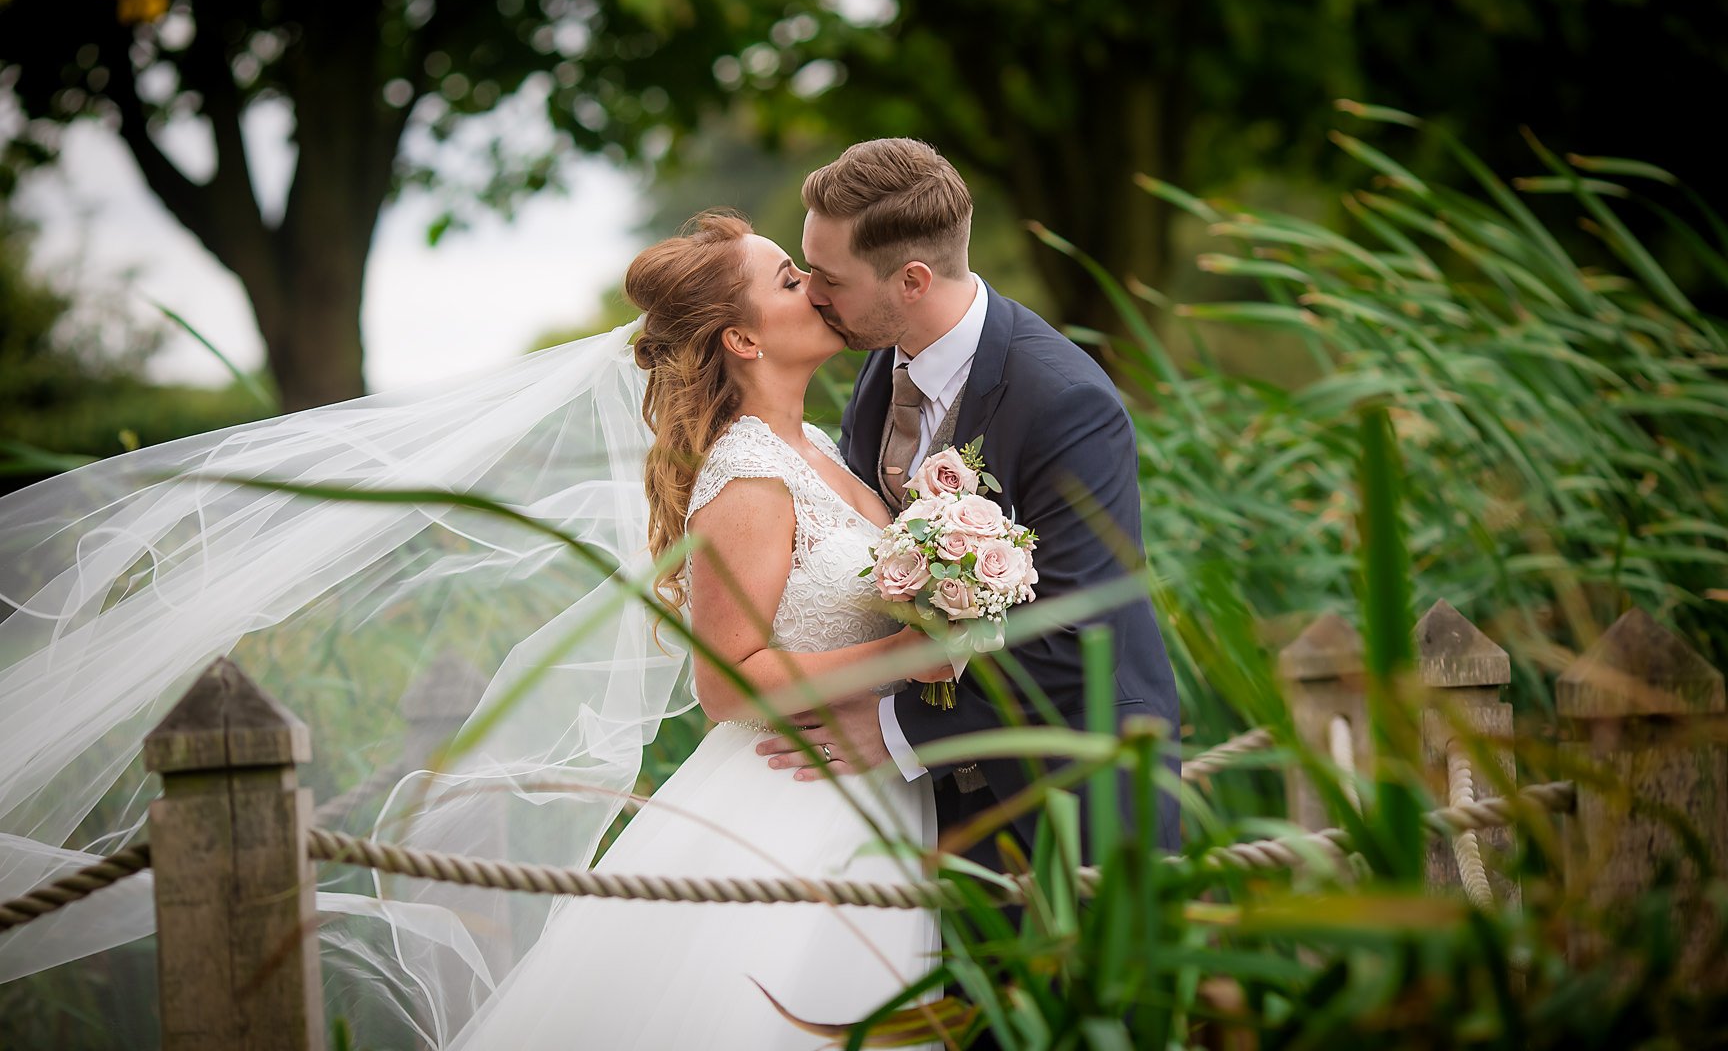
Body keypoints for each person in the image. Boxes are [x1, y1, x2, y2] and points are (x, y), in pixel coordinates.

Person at [0, 211, 947, 1050]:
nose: (815, 286)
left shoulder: (817, 445)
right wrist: (915, 652)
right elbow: (726, 684)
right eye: (789, 277)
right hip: (786, 805)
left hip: (860, 786)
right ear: (743, 336)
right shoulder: (748, 477)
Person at [756, 138, 1182, 869]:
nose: (813, 293)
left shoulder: (1065, 402)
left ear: (912, 280)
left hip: (1074, 791)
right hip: (930, 813)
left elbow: (1074, 635)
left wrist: (895, 729)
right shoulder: (881, 364)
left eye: (829, 278)